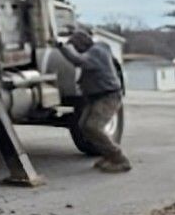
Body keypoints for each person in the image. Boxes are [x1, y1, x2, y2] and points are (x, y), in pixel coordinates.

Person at [55, 27, 131, 172]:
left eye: (77, 47)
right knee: (83, 126)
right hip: (96, 96)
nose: (77, 50)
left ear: (82, 45)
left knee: (93, 127)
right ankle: (108, 156)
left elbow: (78, 61)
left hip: (108, 96)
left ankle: (120, 159)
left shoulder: (96, 52)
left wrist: (63, 48)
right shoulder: (99, 50)